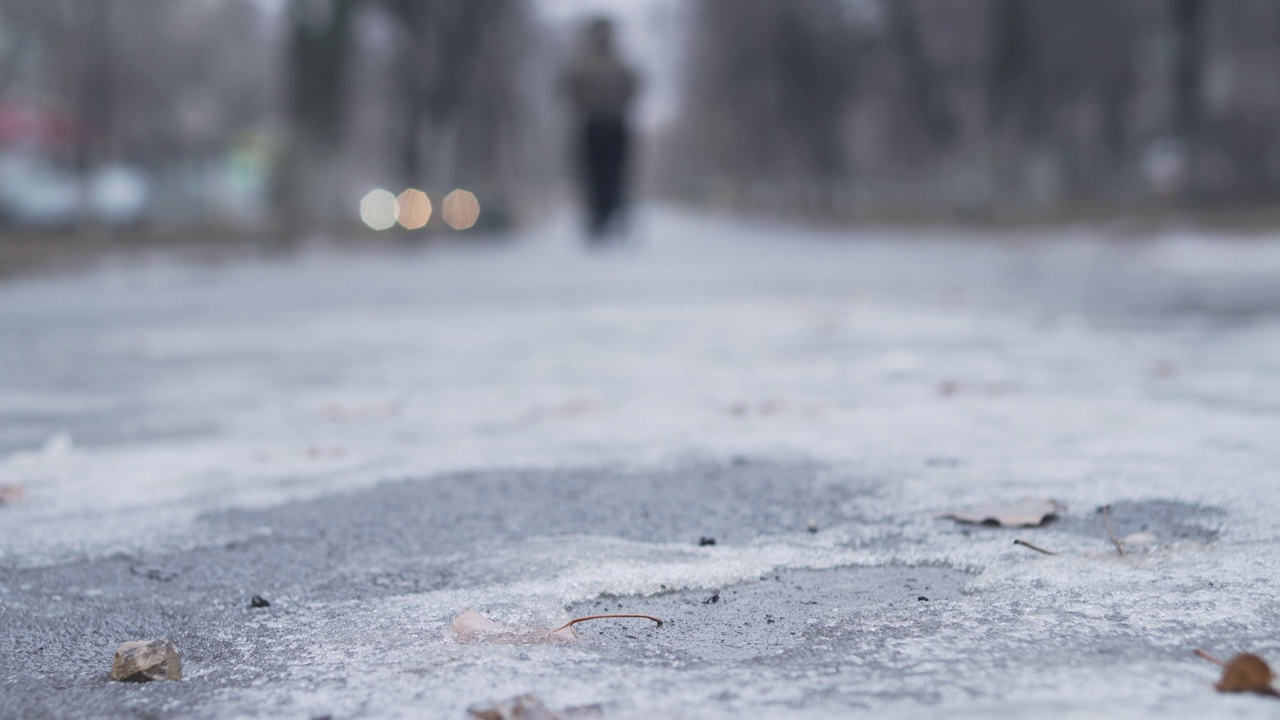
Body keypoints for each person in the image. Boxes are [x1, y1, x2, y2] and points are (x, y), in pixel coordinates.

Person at [562, 17, 640, 240]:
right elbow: (570, 89)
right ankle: (597, 219)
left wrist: (617, 102)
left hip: (614, 123)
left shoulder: (618, 62)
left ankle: (613, 215)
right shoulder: (584, 63)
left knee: (615, 173)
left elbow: (632, 87)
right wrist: (587, 104)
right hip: (593, 123)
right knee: (592, 174)